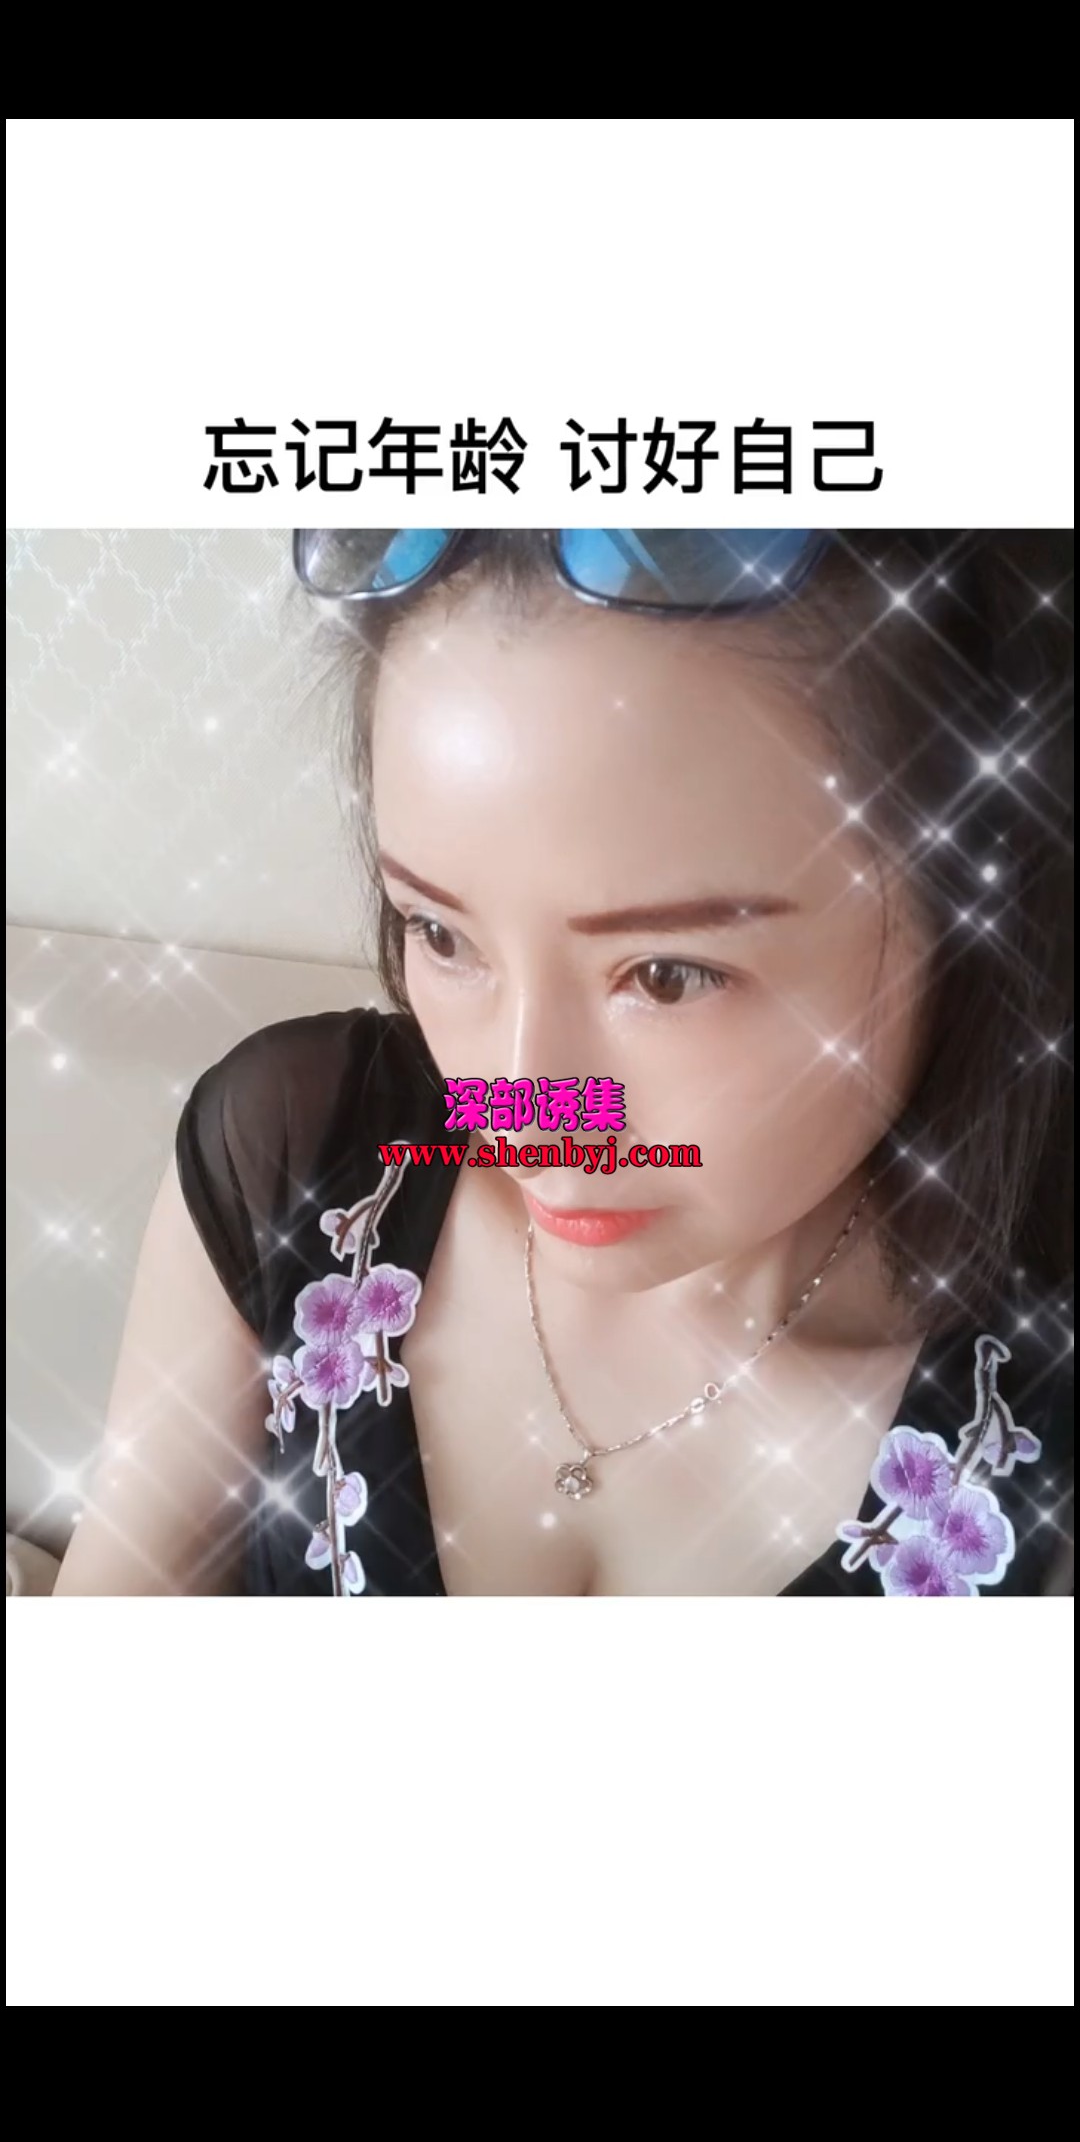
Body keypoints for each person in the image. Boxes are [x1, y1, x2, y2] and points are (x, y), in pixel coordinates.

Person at [56, 529, 1074, 1597]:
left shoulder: (1025, 1445)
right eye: (440, 934)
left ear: (973, 921)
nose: (523, 1108)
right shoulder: (298, 1161)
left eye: (668, 976)